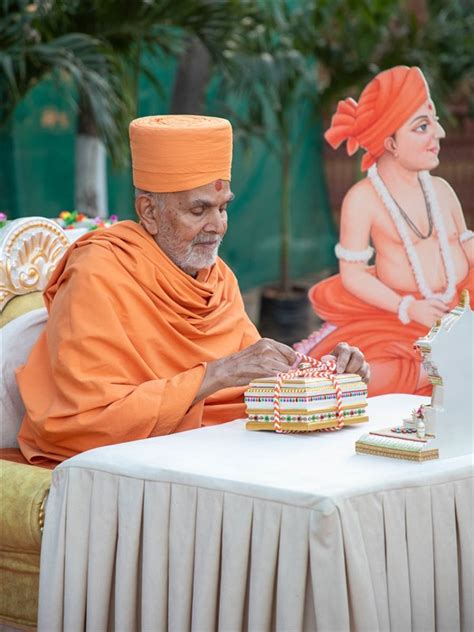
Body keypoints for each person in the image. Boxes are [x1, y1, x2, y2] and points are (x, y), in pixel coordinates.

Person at [16, 115, 369, 464]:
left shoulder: (217, 278)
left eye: (223, 208)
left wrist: (323, 377)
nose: (217, 226)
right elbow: (88, 416)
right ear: (149, 212)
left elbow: (250, 386)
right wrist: (215, 374)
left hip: (215, 445)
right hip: (123, 457)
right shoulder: (97, 273)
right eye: (199, 210)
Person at [298, 66, 473, 396]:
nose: (439, 133)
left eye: (433, 121)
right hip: (399, 320)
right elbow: (352, 274)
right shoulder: (363, 199)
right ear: (390, 141)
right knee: (356, 379)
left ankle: (451, 362)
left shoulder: (441, 189)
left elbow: (465, 246)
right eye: (422, 126)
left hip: (460, 309)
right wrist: (408, 308)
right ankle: (439, 368)